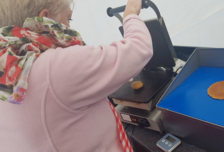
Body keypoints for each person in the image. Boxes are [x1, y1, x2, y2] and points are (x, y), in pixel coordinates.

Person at [0, 0, 153, 151]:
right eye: (68, 18)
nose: (70, 26)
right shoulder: (53, 66)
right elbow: (139, 48)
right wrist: (130, 13)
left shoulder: (8, 65)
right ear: (44, 19)